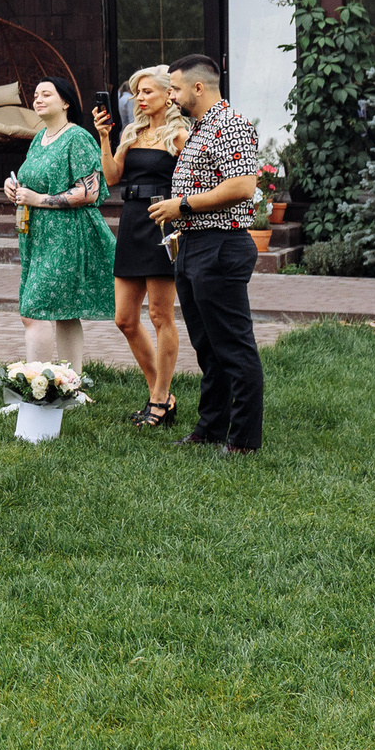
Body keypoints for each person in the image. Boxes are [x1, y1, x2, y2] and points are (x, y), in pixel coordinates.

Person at [150, 54, 264, 454]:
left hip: (221, 243)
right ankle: (211, 427)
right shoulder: (201, 128)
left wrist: (181, 206)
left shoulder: (230, 124)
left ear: (199, 87)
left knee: (233, 346)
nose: (172, 97)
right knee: (208, 346)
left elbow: (243, 186)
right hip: (195, 244)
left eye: (176, 89)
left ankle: (244, 440)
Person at [93, 66, 191, 427]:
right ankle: (160, 394)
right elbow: (111, 177)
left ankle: (159, 399)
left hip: (162, 225)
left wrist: (182, 217)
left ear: (169, 95)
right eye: (137, 93)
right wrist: (104, 137)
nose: (140, 98)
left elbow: (196, 182)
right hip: (132, 222)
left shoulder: (179, 136)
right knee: (125, 319)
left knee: (161, 316)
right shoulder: (132, 133)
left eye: (148, 91)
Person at [0, 75, 113, 370]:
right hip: (37, 235)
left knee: (33, 309)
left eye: (46, 94)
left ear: (65, 102)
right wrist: (12, 187)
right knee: (64, 310)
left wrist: (38, 199)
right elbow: (32, 181)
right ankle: (71, 383)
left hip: (66, 236)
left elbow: (90, 191)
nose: (37, 98)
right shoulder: (40, 138)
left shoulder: (77, 137)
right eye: (36, 94)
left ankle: (36, 384)